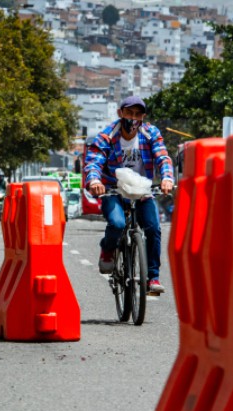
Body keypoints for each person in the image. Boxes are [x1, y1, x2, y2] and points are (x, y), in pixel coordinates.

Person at [85, 95, 174, 295]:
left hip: (141, 190)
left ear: (143, 117)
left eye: (137, 114)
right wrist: (95, 181)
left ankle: (152, 277)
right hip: (113, 190)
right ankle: (107, 249)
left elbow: (163, 156)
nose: (133, 118)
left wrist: (167, 178)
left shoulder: (150, 133)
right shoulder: (107, 135)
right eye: (129, 113)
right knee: (117, 224)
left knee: (153, 228)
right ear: (120, 113)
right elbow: (94, 161)